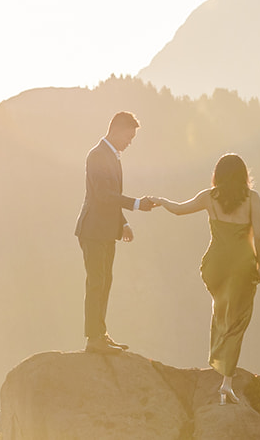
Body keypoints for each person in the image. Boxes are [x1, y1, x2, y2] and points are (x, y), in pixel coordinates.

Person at [155, 153, 260, 403]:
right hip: (241, 266)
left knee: (221, 311)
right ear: (243, 175)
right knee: (237, 320)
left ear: (218, 175)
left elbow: (179, 210)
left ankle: (217, 359)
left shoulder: (209, 197)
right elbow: (259, 237)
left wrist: (160, 200)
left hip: (215, 265)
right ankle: (227, 382)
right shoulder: (252, 199)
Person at [74, 110, 157, 354]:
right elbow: (102, 195)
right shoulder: (97, 155)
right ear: (117, 130)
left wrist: (122, 222)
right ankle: (93, 338)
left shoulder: (112, 156)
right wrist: (136, 204)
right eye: (128, 138)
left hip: (106, 230)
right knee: (96, 282)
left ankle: (100, 333)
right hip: (93, 230)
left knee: (105, 281)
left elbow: (108, 197)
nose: (129, 143)